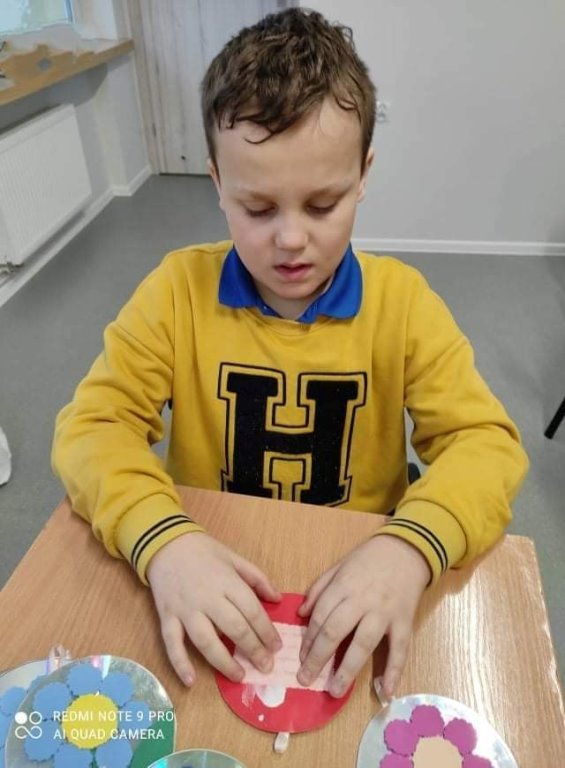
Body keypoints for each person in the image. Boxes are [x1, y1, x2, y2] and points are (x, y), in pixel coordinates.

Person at [52, 8, 528, 701]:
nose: (291, 240)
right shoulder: (176, 292)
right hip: (205, 562)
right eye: (258, 208)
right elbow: (92, 427)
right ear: (217, 182)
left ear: (362, 175)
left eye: (322, 204)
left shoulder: (403, 304)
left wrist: (409, 546)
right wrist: (164, 540)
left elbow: (485, 444)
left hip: (359, 574)